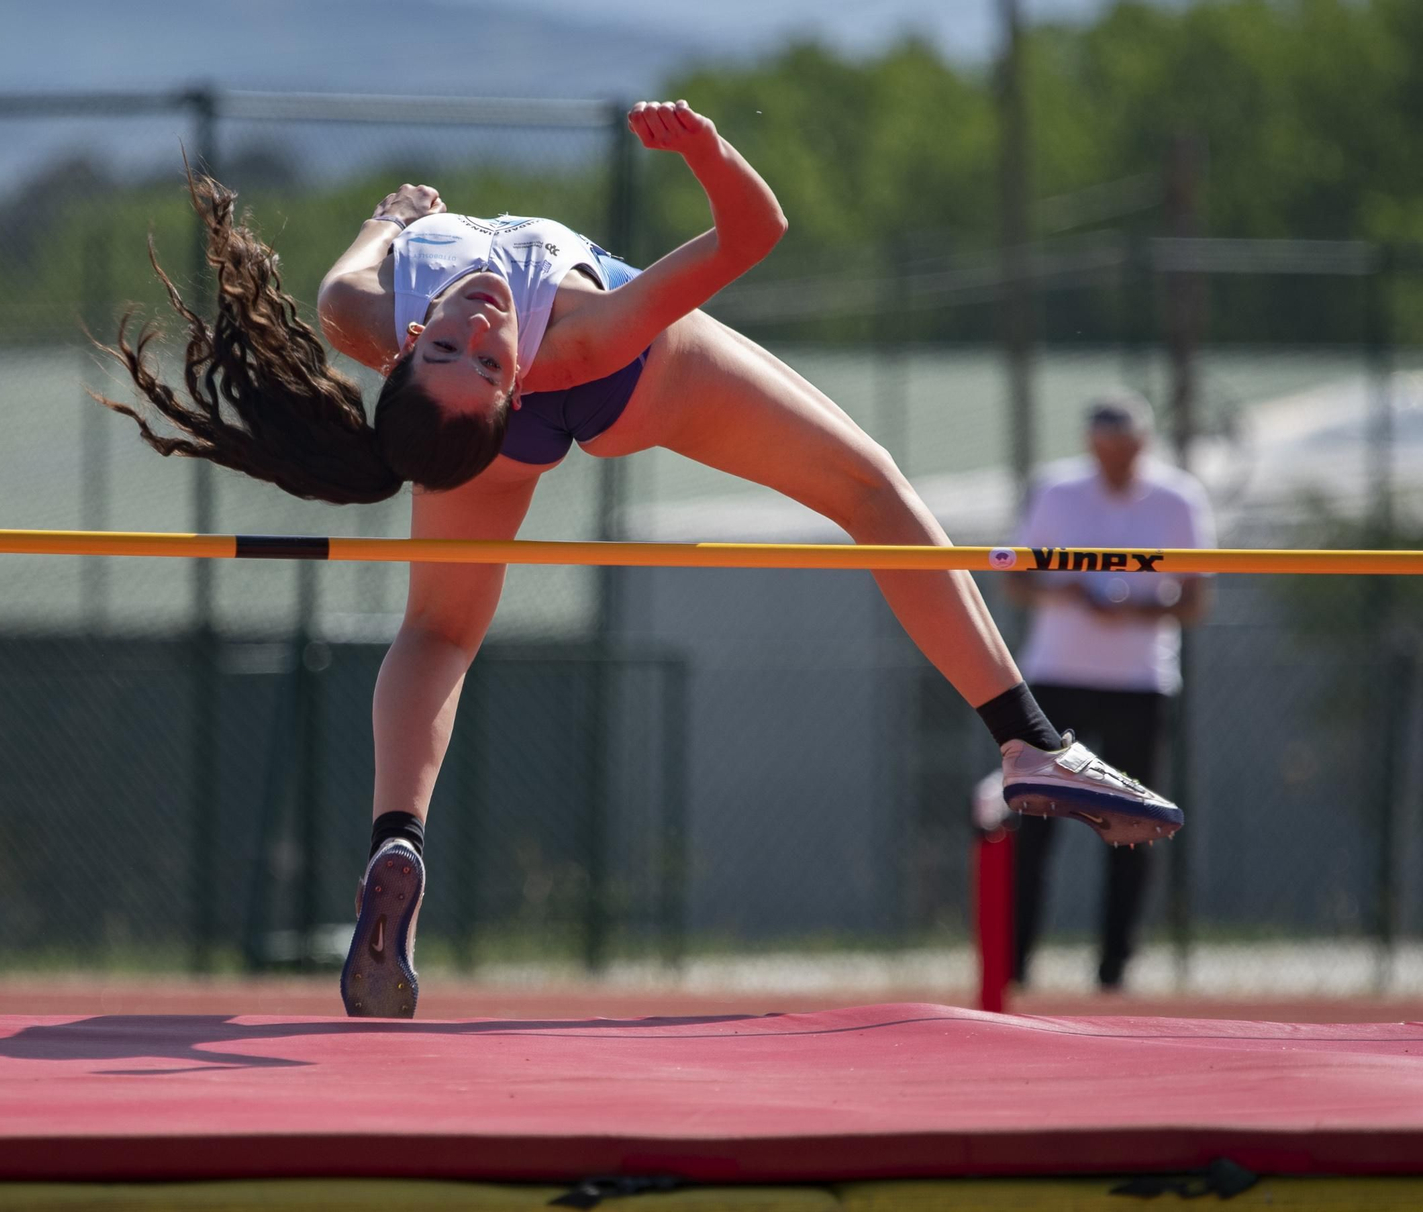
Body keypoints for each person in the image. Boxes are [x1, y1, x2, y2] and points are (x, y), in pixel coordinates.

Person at [97, 100, 1182, 1018]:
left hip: (483, 447)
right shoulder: (570, 336)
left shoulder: (358, 312)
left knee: (437, 631)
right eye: (482, 356)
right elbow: (754, 234)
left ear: (400, 351)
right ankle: (1029, 743)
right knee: (872, 491)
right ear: (511, 386)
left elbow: (362, 252)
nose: (477, 326)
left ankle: (397, 842)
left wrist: (396, 215)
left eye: (457, 346)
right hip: (627, 383)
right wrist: (706, 155)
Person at [1004, 393, 1215, 992]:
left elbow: (1196, 598)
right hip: (1056, 678)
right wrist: (1068, 595)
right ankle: (1014, 965)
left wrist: (1142, 610)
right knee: (1034, 819)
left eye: (1124, 448)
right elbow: (1017, 582)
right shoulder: (1058, 490)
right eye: (1103, 447)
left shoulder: (1177, 499)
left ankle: (1115, 969)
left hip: (1138, 682)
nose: (1113, 460)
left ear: (1143, 445)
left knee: (1131, 827)